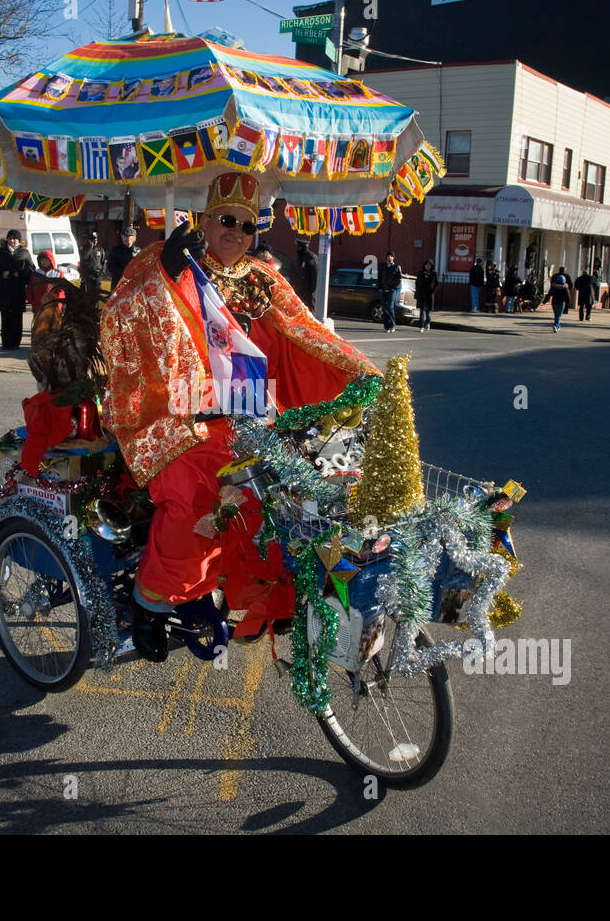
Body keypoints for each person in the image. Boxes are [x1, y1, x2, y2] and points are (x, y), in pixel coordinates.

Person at [100, 172, 379, 662]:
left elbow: (304, 331)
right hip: (179, 415)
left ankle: (257, 601)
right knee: (194, 505)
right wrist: (163, 273)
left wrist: (360, 372)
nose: (236, 232)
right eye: (227, 220)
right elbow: (120, 315)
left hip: (249, 417)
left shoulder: (261, 275)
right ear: (205, 221)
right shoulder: (168, 260)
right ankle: (151, 600)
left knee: (274, 503)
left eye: (247, 226)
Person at [0, 229, 34, 349]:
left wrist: (21, 274)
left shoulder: (24, 252)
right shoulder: (1, 251)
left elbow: (31, 269)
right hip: (4, 289)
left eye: (15, 238)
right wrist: (1, 273)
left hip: (18, 289)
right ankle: (6, 343)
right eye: (10, 238)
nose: (12, 241)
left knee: (17, 318)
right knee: (5, 317)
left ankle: (15, 343)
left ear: (19, 240)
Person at [106, 225, 139, 292]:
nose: (127, 239)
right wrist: (125, 274)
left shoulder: (138, 251)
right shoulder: (116, 250)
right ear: (122, 237)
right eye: (125, 237)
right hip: (119, 283)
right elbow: (110, 267)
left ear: (134, 238)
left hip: (133, 285)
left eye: (129, 237)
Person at [378, 250, 402, 332]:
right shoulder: (382, 267)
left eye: (391, 256)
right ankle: (386, 326)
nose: (389, 257)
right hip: (383, 290)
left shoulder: (396, 267)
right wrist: (380, 287)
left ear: (393, 257)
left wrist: (394, 287)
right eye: (388, 256)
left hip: (391, 291)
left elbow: (399, 279)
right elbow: (379, 278)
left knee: (390, 307)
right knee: (384, 309)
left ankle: (392, 325)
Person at [415, 258, 437, 329]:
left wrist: (433, 291)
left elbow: (436, 284)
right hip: (422, 294)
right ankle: (421, 326)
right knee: (421, 311)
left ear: (431, 266)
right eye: (426, 265)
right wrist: (417, 291)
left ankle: (427, 322)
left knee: (428, 313)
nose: (427, 266)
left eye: (429, 265)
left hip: (429, 295)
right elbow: (417, 282)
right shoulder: (421, 272)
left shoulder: (434, 273)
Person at [295, 240, 318, 308]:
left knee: (310, 307)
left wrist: (312, 289)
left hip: (308, 290)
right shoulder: (301, 257)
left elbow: (315, 273)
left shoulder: (311, 257)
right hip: (301, 289)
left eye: (299, 247)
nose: (297, 248)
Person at [547, 267, 569, 332]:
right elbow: (567, 297)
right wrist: (567, 304)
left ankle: (558, 325)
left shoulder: (554, 287)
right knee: (558, 315)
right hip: (561, 303)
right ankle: (556, 326)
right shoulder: (565, 288)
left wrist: (545, 301)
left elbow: (549, 294)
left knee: (556, 315)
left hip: (554, 302)